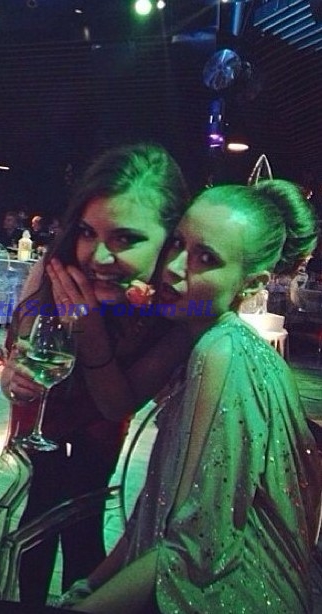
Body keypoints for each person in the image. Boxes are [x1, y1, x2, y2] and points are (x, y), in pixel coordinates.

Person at [70, 179, 322, 613]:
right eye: (178, 244)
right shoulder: (202, 340)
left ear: (251, 284)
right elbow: (157, 515)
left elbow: (193, 550)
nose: (173, 267)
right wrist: (87, 586)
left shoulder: (221, 352)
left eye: (206, 258)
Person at [0, 142, 192, 604]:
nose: (99, 257)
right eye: (88, 232)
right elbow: (22, 351)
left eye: (126, 239)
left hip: (102, 424)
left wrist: (89, 330)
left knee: (83, 518)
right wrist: (12, 377)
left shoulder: (177, 312)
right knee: (37, 512)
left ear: (172, 240)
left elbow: (114, 404)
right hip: (44, 417)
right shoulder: (57, 270)